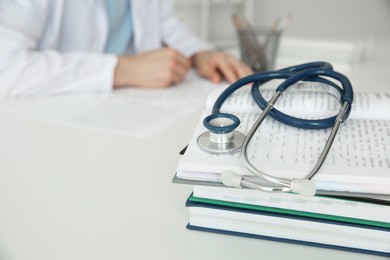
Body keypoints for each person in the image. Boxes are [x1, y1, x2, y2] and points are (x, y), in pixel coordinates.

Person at [0, 0, 252, 97]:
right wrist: (121, 68)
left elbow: (166, 22)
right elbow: (6, 67)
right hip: (54, 118)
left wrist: (199, 53)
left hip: (136, 106)